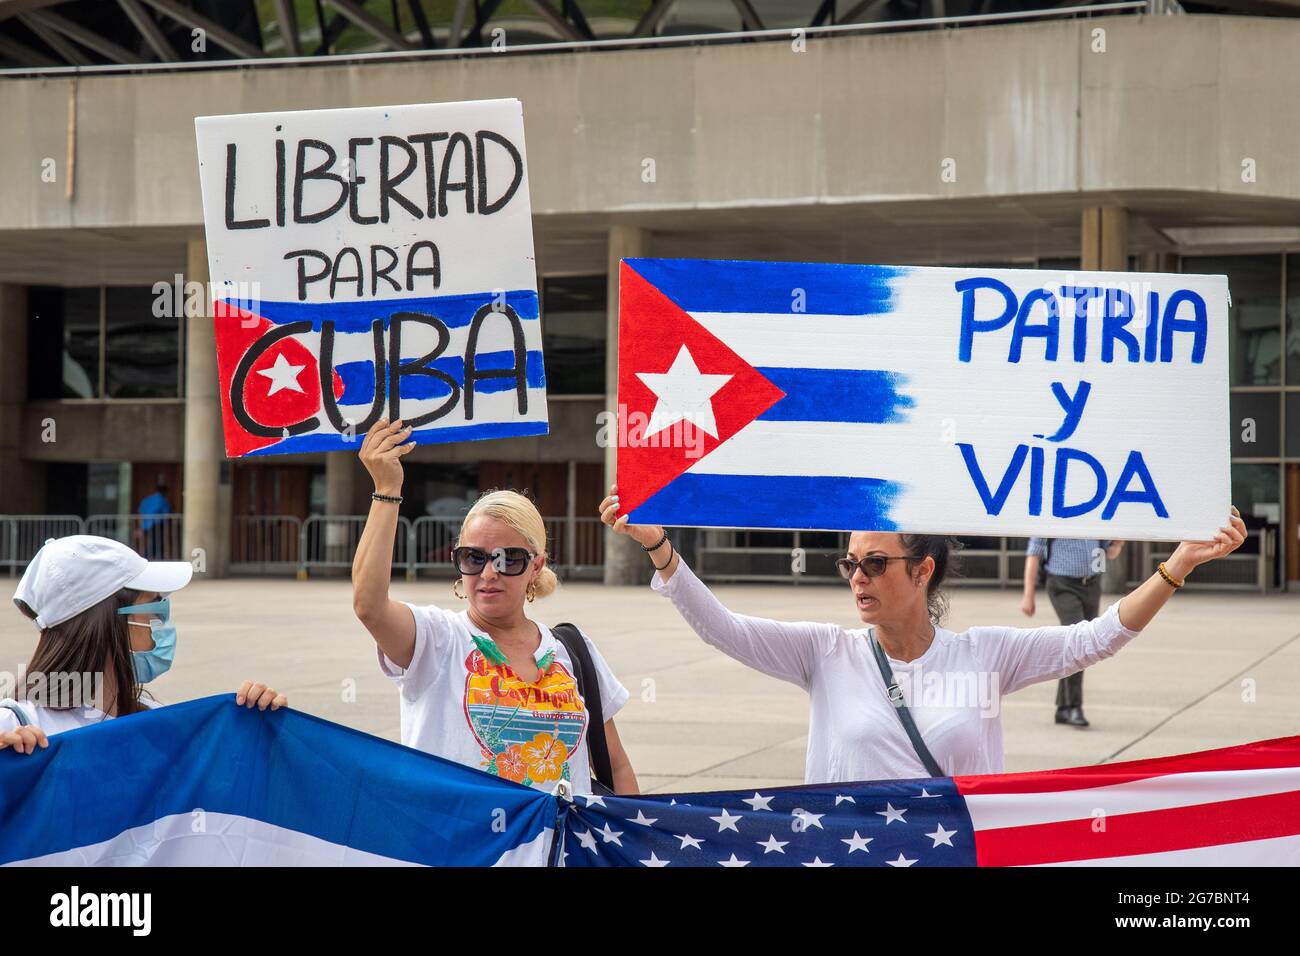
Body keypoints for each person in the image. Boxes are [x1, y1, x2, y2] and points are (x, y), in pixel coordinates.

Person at [600, 483, 1246, 782]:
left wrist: (1178, 563)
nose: (858, 577)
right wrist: (659, 546)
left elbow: (1096, 637)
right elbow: (724, 629)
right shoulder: (824, 653)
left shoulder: (986, 655)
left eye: (876, 563)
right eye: (851, 563)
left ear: (923, 569)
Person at [352, 420, 639, 795]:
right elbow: (369, 606)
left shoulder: (572, 649)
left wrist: (637, 843)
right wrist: (387, 490)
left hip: (559, 852)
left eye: (509, 559)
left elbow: (615, 764)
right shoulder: (438, 638)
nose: (489, 573)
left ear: (536, 566)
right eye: (474, 557)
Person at [0, 535, 287, 756]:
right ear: (107, 623)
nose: (161, 622)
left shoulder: (154, 715)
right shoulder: (16, 726)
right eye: (154, 607)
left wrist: (264, 731)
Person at [1022, 536, 1125, 728]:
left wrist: (1118, 543)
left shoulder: (1095, 517)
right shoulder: (1053, 514)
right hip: (1062, 584)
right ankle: (1075, 706)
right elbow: (1034, 553)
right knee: (1079, 643)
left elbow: (1108, 554)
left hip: (1092, 584)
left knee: (1078, 646)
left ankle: (1063, 707)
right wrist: (1028, 595)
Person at [136, 478, 173, 560]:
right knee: (156, 543)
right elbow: (167, 514)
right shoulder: (162, 500)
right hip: (156, 525)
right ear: (165, 492)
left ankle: (148, 557)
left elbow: (140, 512)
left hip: (146, 525)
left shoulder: (147, 499)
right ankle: (150, 558)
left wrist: (140, 527)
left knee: (152, 543)